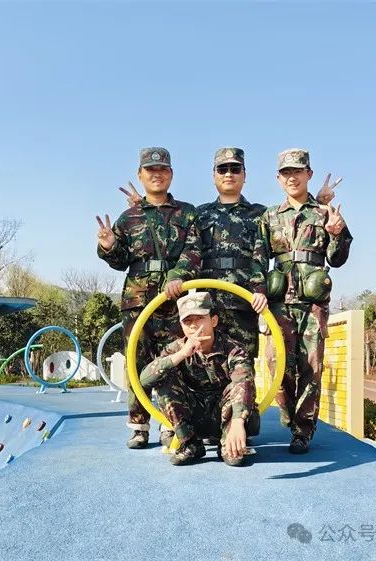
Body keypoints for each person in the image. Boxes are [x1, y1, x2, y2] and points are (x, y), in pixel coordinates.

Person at [96, 147, 201, 449]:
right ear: (140, 175)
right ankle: (139, 425)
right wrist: (109, 245)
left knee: (174, 361)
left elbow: (194, 252)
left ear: (171, 174)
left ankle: (171, 422)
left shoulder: (187, 213)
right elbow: (120, 261)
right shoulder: (129, 217)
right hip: (137, 301)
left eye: (163, 169)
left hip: (174, 299)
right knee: (136, 361)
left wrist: (177, 275)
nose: (157, 174)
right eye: (151, 170)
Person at [261, 148, 353, 454]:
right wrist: (259, 292)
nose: (292, 177)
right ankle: (289, 414)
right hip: (279, 304)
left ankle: (303, 430)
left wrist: (336, 234)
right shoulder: (270, 216)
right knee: (276, 364)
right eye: (286, 173)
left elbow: (337, 259)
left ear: (308, 174)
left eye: (297, 171)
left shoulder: (325, 212)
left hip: (313, 305)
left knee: (311, 368)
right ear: (279, 178)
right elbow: (258, 258)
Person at [140, 291, 260, 466]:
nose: (194, 326)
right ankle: (190, 444)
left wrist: (237, 422)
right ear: (181, 326)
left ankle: (228, 443)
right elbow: (145, 380)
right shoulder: (176, 349)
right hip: (193, 415)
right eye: (188, 321)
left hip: (225, 413)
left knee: (239, 385)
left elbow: (244, 382)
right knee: (164, 380)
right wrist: (182, 354)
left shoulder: (233, 349)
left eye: (199, 318)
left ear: (214, 321)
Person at [194, 147, 268, 356]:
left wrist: (319, 204)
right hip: (207, 304)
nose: (228, 174)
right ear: (214, 176)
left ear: (244, 175)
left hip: (243, 303)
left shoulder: (260, 214)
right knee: (206, 363)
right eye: (222, 169)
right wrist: (142, 207)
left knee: (242, 365)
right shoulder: (199, 214)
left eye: (235, 169)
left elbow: (263, 254)